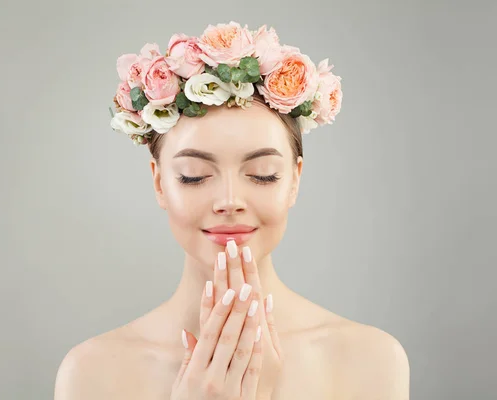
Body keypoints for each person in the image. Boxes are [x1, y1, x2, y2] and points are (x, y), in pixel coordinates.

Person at [54, 21, 410, 399]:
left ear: (294, 180)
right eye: (194, 176)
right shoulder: (93, 372)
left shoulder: (371, 360)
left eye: (262, 175)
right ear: (160, 182)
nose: (229, 200)